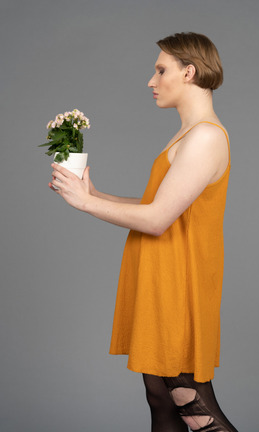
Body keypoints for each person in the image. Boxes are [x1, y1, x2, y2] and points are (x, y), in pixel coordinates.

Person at [49, 32, 238, 432]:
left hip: (178, 286)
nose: (151, 81)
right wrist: (94, 193)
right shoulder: (189, 133)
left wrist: (84, 203)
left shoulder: (205, 136)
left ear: (189, 72)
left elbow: (157, 220)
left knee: (195, 409)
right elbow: (158, 206)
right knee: (162, 402)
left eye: (160, 69)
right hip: (162, 281)